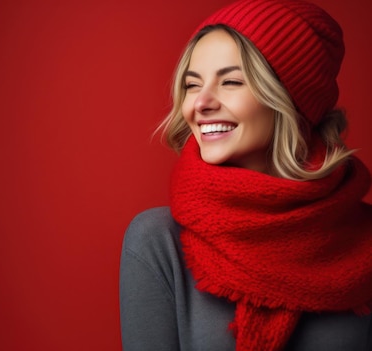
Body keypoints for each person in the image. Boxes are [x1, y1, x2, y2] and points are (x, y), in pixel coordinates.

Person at [119, 0, 372, 350]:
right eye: (192, 85)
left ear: (289, 99)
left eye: (232, 81)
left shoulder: (366, 245)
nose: (201, 102)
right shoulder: (159, 243)